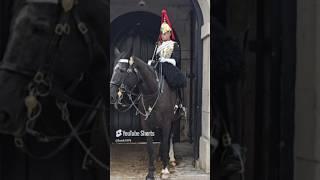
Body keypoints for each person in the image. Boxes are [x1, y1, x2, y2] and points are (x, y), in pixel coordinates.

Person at [148, 8, 187, 115]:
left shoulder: (174, 45)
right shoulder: (159, 45)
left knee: (177, 79)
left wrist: (165, 60)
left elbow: (176, 60)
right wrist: (152, 62)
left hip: (169, 65)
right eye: (162, 33)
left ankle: (180, 103)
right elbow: (156, 58)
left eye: (165, 33)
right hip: (159, 65)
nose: (163, 35)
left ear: (169, 33)